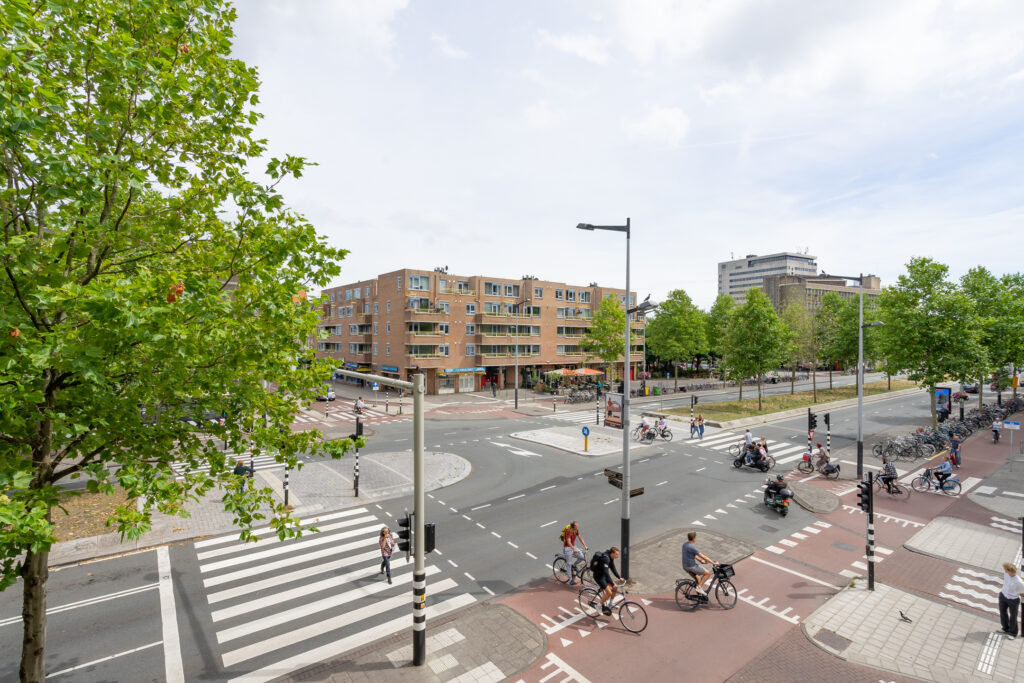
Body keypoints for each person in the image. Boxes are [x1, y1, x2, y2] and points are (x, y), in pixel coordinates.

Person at [589, 547, 624, 615]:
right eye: (616, 554)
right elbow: (606, 572)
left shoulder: (611, 557)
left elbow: (613, 568)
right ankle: (598, 606)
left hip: (603, 576)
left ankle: (610, 604)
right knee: (609, 593)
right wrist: (611, 583)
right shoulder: (606, 559)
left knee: (615, 587)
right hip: (599, 577)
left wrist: (619, 577)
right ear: (612, 553)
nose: (617, 556)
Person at [682, 531, 718, 596]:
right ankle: (699, 588)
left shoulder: (684, 544)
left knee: (698, 579)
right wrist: (713, 563)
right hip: (692, 566)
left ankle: (699, 596)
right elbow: (703, 556)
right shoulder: (692, 547)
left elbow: (692, 554)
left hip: (685, 566)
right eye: (695, 537)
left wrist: (700, 560)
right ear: (694, 538)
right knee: (707, 573)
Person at [999, 562, 1024, 640]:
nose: (1004, 571)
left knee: (1013, 616)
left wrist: (1017, 594)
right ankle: (1005, 628)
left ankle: (1013, 633)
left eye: (1005, 570)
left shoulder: (1019, 582)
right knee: (1002, 612)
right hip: (1003, 595)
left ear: (1009, 571)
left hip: (1013, 599)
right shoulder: (1006, 574)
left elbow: (1023, 592)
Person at [561, 521, 588, 585]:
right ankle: (570, 580)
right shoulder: (568, 531)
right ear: (573, 526)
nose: (578, 526)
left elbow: (580, 537)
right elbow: (568, 542)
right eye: (576, 525)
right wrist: (573, 549)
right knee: (569, 564)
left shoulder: (576, 530)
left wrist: (585, 546)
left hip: (573, 546)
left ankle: (574, 565)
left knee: (582, 557)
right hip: (567, 548)